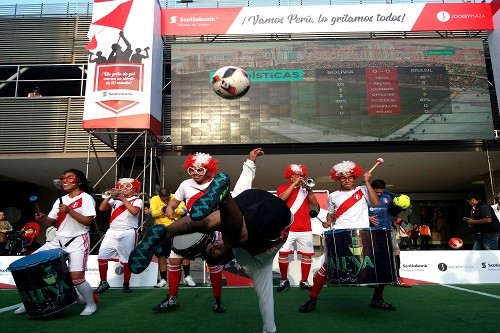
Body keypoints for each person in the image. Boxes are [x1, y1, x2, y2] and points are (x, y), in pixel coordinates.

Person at [130, 170, 290, 333]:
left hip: (254, 200)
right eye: (214, 251)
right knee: (226, 227)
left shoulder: (231, 236)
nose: (215, 246)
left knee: (214, 223)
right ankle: (221, 199)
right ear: (222, 261)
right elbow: (266, 298)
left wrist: (249, 165)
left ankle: (167, 232)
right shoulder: (251, 263)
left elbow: (242, 189)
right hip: (276, 216)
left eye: (212, 246)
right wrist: (269, 329)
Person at [299, 160, 396, 313]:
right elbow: (331, 214)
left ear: (354, 177)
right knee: (326, 266)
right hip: (341, 235)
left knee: (378, 265)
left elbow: (375, 203)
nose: (347, 180)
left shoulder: (363, 189)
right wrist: (328, 222)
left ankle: (377, 299)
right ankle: (312, 299)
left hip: (362, 234)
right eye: (343, 177)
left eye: (350, 177)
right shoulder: (333, 196)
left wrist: (367, 181)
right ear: (338, 179)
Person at [14, 169, 98, 316]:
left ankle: (90, 304)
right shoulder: (61, 199)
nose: (65, 180)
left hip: (78, 239)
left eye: (70, 178)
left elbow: (89, 221)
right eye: (63, 178)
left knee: (77, 278)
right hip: (58, 240)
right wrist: (43, 218)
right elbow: (51, 222)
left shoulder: (86, 198)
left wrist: (70, 211)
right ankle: (29, 303)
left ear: (79, 181)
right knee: (30, 266)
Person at [95, 178, 143, 294]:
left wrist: (122, 199)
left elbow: (134, 212)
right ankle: (103, 282)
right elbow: (101, 208)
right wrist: (109, 196)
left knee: (126, 260)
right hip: (112, 231)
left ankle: (126, 284)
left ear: (134, 189)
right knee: (102, 256)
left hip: (128, 231)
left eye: (127, 186)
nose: (123, 188)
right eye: (121, 186)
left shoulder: (137, 200)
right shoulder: (114, 201)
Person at [276, 164, 318, 292]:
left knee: (307, 256)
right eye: (295, 174)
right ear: (290, 176)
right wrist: (293, 185)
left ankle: (304, 281)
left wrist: (309, 189)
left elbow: (314, 203)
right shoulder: (283, 187)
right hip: (287, 227)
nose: (298, 177)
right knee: (283, 254)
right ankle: (284, 280)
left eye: (300, 175)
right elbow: (282, 199)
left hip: (305, 227)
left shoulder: (305, 189)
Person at [368, 179, 410, 287]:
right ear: (372, 189)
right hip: (369, 230)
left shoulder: (388, 196)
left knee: (395, 252)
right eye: (376, 192)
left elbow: (391, 214)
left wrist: (402, 219)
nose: (379, 194)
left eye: (381, 192)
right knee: (372, 254)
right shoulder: (365, 196)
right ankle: (372, 279)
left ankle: (396, 278)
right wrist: (367, 217)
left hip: (387, 229)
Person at [149, 187, 191, 288]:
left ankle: (187, 277)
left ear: (170, 195)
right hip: (161, 231)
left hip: (177, 229)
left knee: (184, 254)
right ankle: (163, 279)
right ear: (159, 196)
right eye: (163, 199)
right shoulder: (154, 199)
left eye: (167, 198)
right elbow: (152, 214)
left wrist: (173, 209)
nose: (166, 201)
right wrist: (163, 210)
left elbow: (184, 210)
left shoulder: (176, 197)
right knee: (162, 255)